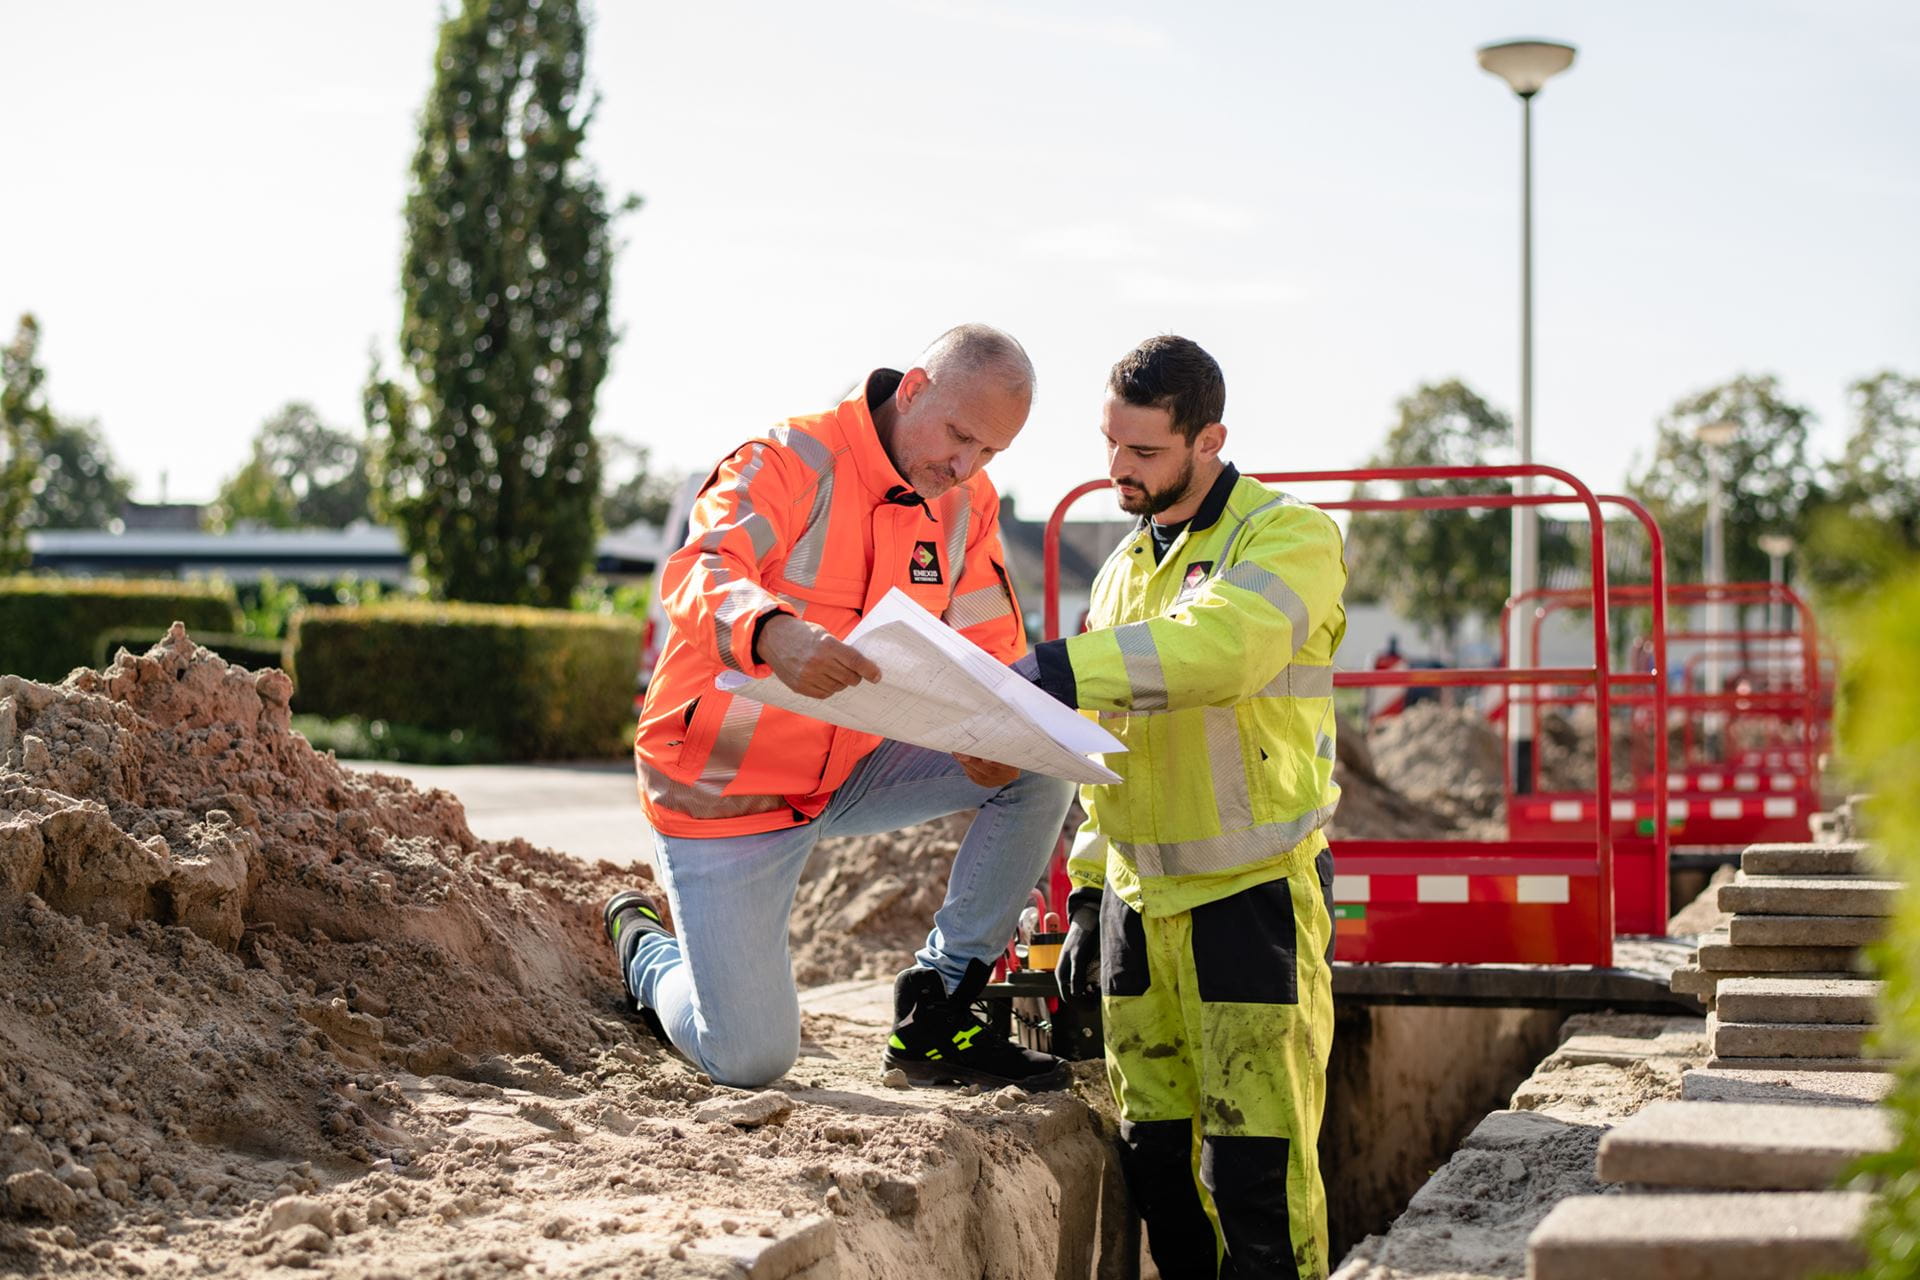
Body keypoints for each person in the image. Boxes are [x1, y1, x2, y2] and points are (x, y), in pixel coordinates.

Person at [603, 324, 1075, 1093]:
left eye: (989, 453)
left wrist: (991, 730)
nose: (965, 467)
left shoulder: (966, 504)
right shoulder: (789, 460)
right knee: (749, 1058)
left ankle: (939, 1007)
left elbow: (990, 647)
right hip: (725, 790)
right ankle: (645, 950)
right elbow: (700, 569)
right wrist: (772, 631)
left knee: (1036, 770)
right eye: (959, 436)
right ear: (915, 389)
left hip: (852, 768)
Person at [1030, 336, 1347, 1279]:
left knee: (1254, 1172)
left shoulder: (1288, 536)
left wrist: (1052, 668)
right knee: (1159, 1166)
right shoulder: (1123, 566)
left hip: (1248, 901)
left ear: (1209, 439)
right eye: (1110, 446)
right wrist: (1088, 892)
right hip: (1137, 910)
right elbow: (1106, 753)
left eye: (1144, 452)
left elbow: (1220, 651)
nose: (1116, 470)